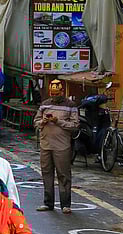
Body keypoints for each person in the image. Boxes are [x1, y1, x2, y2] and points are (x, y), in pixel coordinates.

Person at [34, 79, 78, 214]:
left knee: (63, 175)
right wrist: (43, 121)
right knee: (46, 174)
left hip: (62, 146)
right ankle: (48, 203)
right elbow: (36, 122)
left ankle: (65, 204)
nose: (54, 95)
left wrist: (58, 121)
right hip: (45, 144)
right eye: (52, 93)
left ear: (62, 91)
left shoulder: (70, 105)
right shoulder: (44, 104)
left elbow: (75, 125)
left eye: (57, 92)